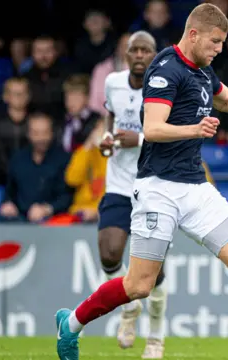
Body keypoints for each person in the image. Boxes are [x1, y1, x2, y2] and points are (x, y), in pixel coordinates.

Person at [55, 4, 228, 360]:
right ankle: (72, 323)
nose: (219, 49)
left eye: (222, 43)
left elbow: (226, 98)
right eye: (215, 42)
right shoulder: (166, 69)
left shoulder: (203, 70)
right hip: (158, 188)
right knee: (139, 285)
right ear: (194, 33)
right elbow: (152, 128)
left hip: (195, 187)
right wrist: (194, 129)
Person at [89, 31, 168, 359]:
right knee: (109, 253)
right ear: (126, 55)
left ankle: (156, 337)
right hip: (120, 184)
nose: (138, 55)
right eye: (133, 50)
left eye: (145, 50)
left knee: (155, 271)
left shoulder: (166, 88)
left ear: (154, 56)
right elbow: (111, 117)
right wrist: (107, 140)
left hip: (154, 185)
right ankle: (131, 305)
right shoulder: (113, 83)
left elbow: (174, 136)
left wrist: (137, 141)